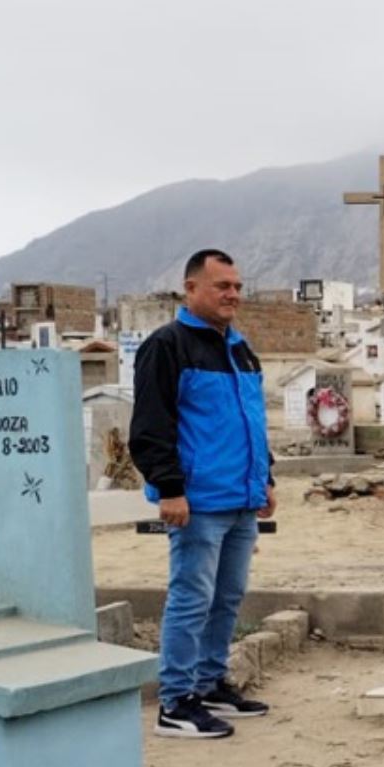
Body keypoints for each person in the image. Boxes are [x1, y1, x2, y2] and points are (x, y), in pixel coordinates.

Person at [129, 249, 274, 739]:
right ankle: (176, 700)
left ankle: (210, 683)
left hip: (240, 497)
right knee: (191, 597)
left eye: (237, 285)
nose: (232, 293)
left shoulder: (239, 346)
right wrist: (170, 488)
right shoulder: (167, 346)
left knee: (227, 596)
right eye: (221, 286)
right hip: (197, 501)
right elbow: (151, 425)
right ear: (191, 289)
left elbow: (251, 421)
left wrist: (265, 479)